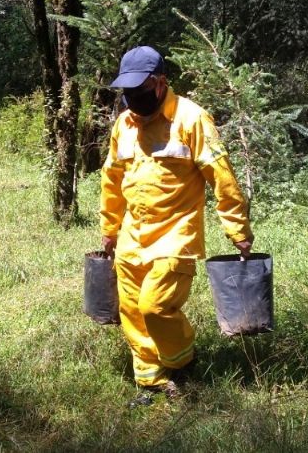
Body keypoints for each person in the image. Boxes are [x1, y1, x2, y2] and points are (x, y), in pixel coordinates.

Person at [99, 45, 254, 407]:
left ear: (161, 82)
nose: (132, 98)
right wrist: (109, 229)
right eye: (127, 91)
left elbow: (221, 177)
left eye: (140, 89)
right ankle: (150, 381)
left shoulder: (192, 119)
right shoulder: (124, 124)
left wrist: (238, 230)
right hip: (132, 237)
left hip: (175, 235)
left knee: (156, 307)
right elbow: (111, 180)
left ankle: (182, 365)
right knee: (133, 311)